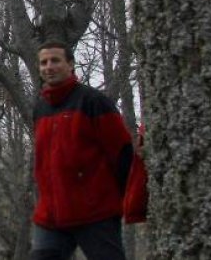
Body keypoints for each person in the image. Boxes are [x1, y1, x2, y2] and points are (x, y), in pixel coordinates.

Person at [31, 41, 134, 260]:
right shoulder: (40, 108)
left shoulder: (94, 101)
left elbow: (122, 151)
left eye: (55, 60)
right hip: (50, 215)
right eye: (44, 62)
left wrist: (122, 199)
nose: (49, 66)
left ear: (70, 64)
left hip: (95, 213)